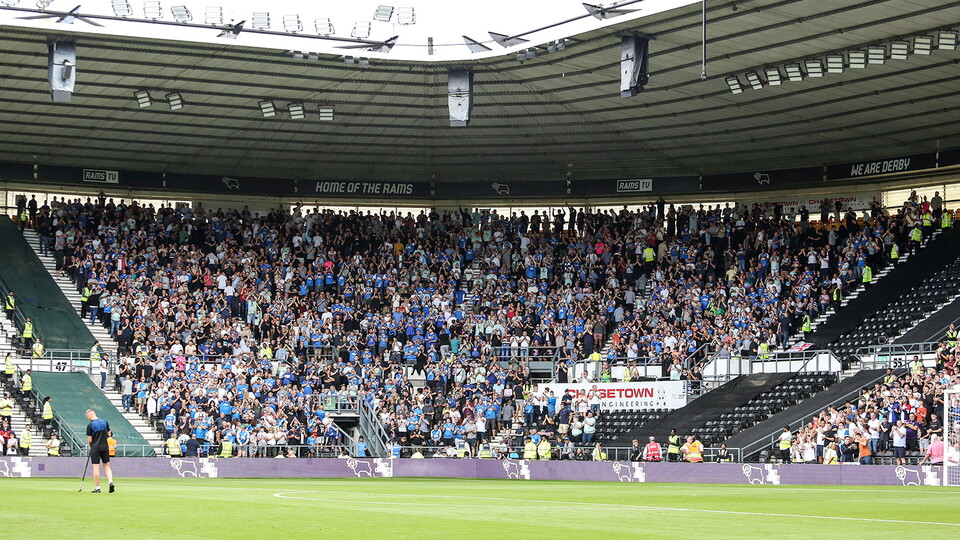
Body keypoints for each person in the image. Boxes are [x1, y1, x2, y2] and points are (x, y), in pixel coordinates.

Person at [85, 409, 115, 493]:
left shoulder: (90, 425)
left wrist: (91, 447)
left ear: (90, 415)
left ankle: (98, 488)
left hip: (95, 448)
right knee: (107, 466)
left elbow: (90, 440)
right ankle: (110, 482)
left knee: (96, 467)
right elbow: (109, 434)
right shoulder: (105, 422)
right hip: (105, 447)